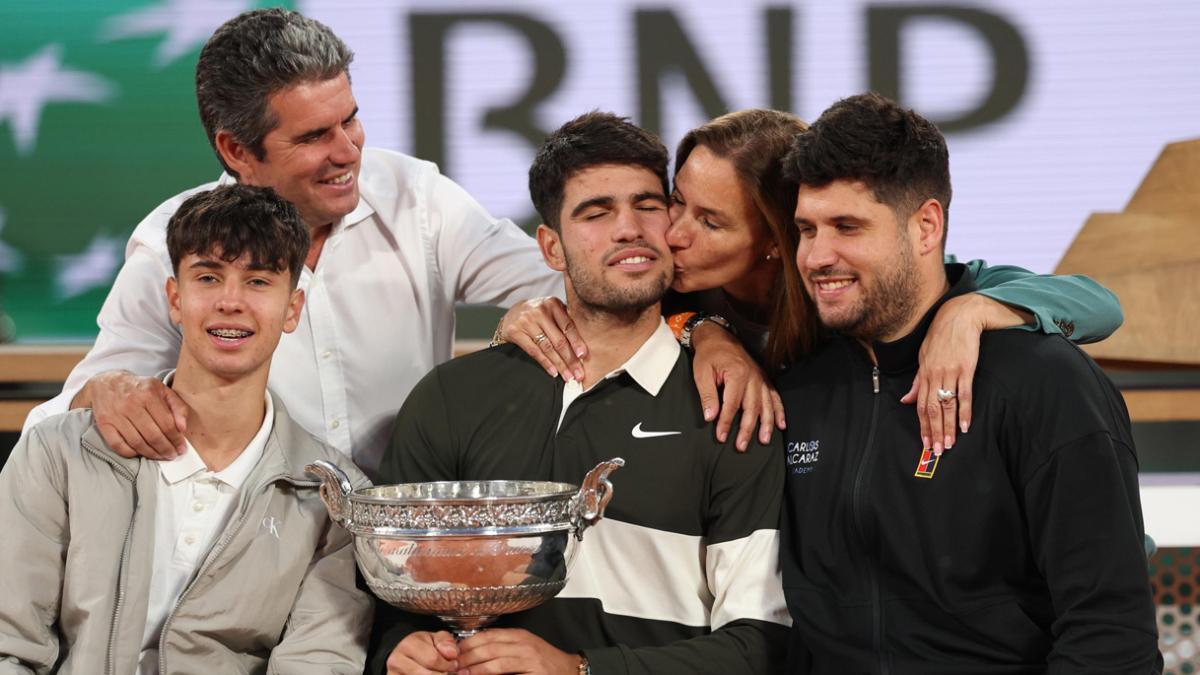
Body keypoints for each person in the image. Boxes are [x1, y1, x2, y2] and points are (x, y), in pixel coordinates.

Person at [24, 8, 772, 478]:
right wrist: (107, 394)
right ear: (237, 150)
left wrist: (706, 329)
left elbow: (585, 277)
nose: (347, 150)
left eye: (350, 119)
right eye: (313, 137)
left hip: (412, 554)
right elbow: (54, 423)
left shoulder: (418, 197)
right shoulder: (172, 242)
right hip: (245, 560)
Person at [370, 112, 789, 674]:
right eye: (596, 213)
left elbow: (761, 643)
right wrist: (399, 648)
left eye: (648, 205)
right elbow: (387, 597)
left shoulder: (734, 405)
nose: (629, 229)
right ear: (551, 247)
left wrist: (580, 669)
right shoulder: (452, 396)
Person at [777, 92, 1160, 673]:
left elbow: (1111, 634)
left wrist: (971, 311)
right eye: (806, 229)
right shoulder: (794, 386)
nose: (816, 256)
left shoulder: (1042, 380)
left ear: (926, 226)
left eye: (847, 227)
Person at [499, 109, 1123, 455]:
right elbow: (588, 302)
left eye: (711, 221)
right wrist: (705, 331)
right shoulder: (671, 287)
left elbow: (1098, 305)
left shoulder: (861, 292)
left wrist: (969, 314)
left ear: (777, 239)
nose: (673, 234)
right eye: (676, 202)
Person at [0, 185, 373, 674]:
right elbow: (8, 644)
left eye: (258, 281)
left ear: (292, 309)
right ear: (175, 299)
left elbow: (316, 663)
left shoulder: (335, 500)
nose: (230, 302)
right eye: (209, 277)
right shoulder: (57, 452)